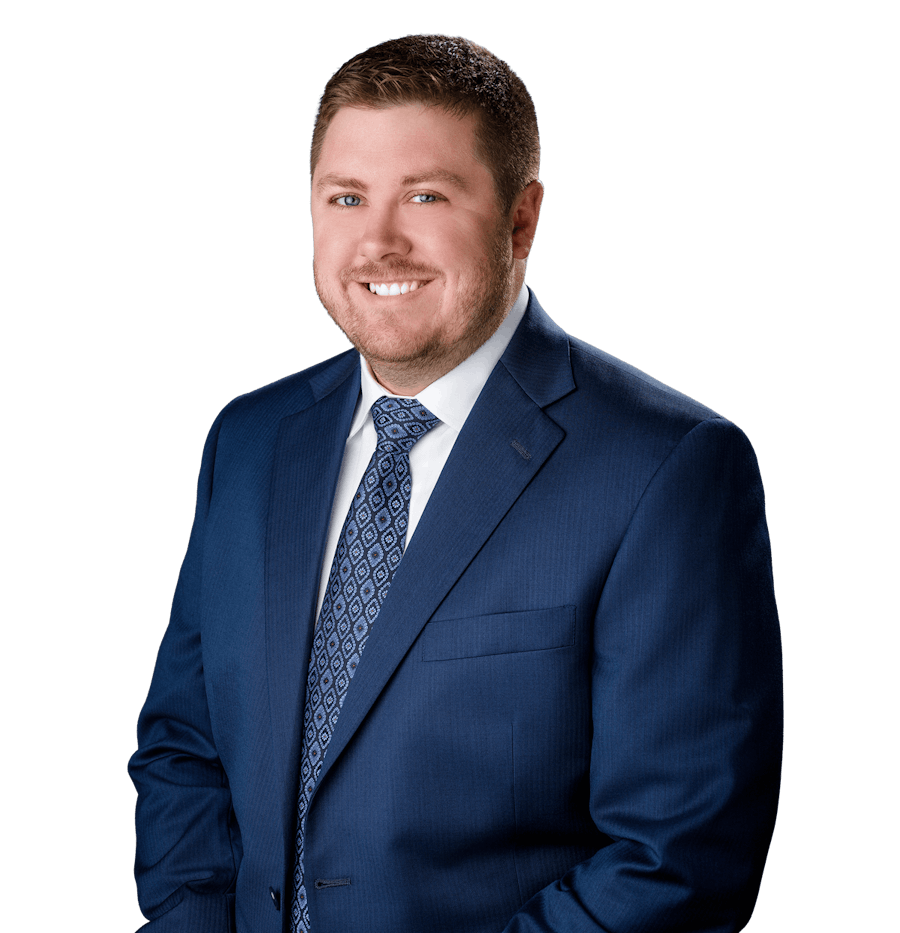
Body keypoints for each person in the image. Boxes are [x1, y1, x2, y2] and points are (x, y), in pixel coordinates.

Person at [129, 34, 782, 933]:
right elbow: (184, 749)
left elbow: (677, 858)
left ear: (522, 218)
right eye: (346, 196)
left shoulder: (669, 469)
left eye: (426, 195)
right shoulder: (248, 444)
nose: (378, 241)